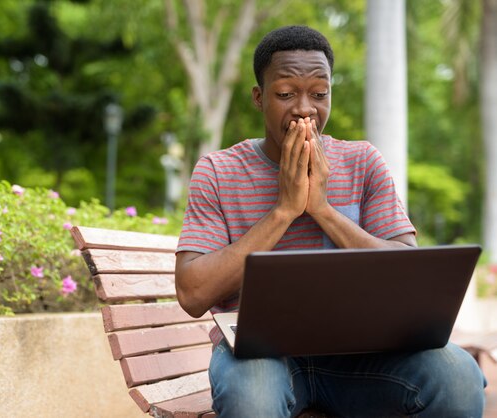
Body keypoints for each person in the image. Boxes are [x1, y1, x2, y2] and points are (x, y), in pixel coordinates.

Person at [174, 25, 486, 418]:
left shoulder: (362, 162)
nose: (305, 108)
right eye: (286, 94)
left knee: (457, 376)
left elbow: (405, 267)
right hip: (261, 357)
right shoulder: (218, 171)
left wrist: (322, 210)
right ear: (259, 97)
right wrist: (284, 211)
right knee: (251, 396)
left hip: (362, 358)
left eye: (319, 95)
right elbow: (192, 293)